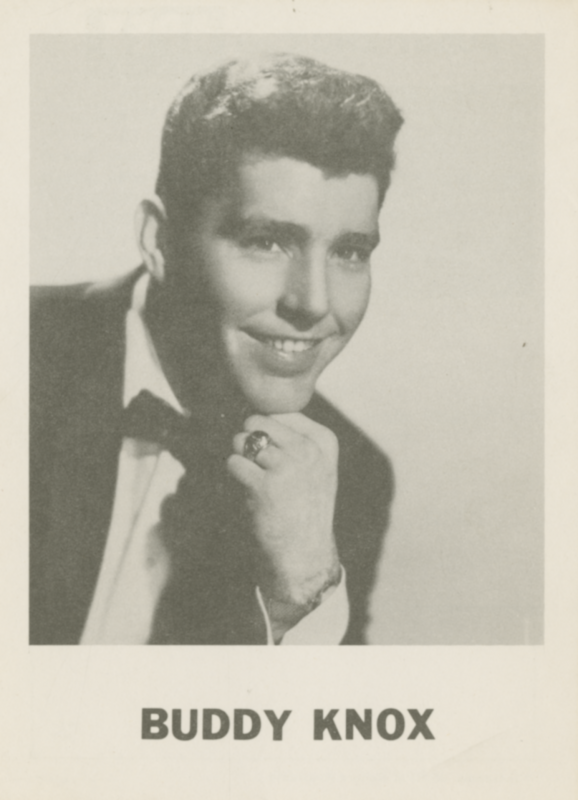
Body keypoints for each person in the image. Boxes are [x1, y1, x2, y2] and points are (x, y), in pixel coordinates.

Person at [30, 52, 403, 645]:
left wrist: (304, 591)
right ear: (159, 241)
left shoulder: (349, 477)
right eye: (267, 242)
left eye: (350, 252)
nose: (314, 303)